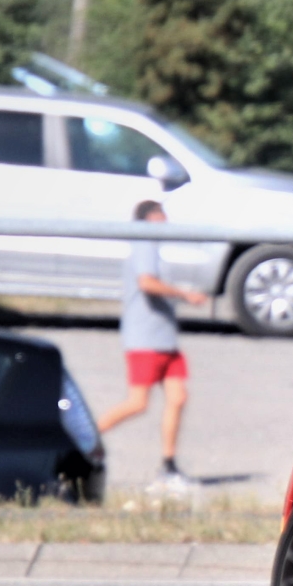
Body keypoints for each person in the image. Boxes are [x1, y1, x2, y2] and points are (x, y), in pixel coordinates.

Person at [95, 200, 210, 488]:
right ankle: (84, 438)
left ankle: (169, 466)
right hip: (145, 339)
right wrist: (185, 295)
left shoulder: (153, 247)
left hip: (165, 339)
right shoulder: (144, 242)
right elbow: (147, 283)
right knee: (138, 403)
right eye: (162, 215)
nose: (167, 221)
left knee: (178, 398)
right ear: (150, 218)